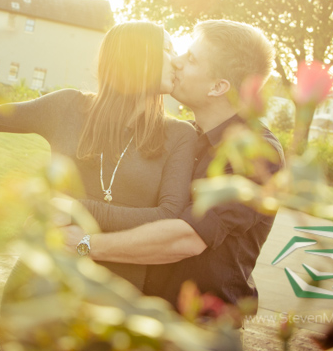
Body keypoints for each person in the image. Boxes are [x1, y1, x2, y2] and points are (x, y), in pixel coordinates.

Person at [0, 21, 198, 291]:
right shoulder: (68, 107)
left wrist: (77, 207)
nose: (178, 61)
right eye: (168, 49)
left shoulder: (180, 135)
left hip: (116, 297)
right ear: (137, 56)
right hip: (42, 282)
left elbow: (168, 217)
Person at [62, 19, 285, 321]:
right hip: (147, 321)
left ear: (218, 87)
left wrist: (85, 245)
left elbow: (186, 238)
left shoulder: (257, 152)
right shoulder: (184, 139)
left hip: (199, 331)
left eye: (190, 59)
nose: (175, 62)